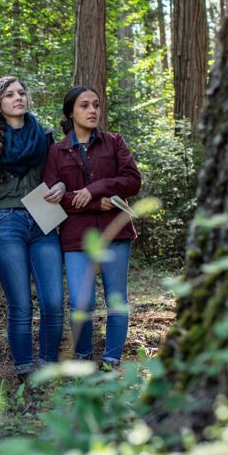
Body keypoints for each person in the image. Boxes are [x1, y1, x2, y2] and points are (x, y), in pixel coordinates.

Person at [42, 86, 142, 368]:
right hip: (77, 237)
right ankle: (84, 358)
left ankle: (111, 361)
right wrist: (95, 203)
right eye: (84, 105)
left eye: (96, 105)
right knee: (81, 303)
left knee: (116, 300)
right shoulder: (56, 152)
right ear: (71, 112)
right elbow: (53, 198)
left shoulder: (114, 142)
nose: (92, 110)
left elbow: (133, 180)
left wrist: (96, 188)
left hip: (115, 233)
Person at [0, 76, 66, 387]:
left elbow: (57, 174)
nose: (18, 98)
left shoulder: (44, 134)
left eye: (21, 92)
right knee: (20, 303)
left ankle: (48, 365)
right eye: (9, 95)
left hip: (43, 216)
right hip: (7, 220)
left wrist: (61, 185)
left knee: (54, 301)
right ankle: (25, 370)